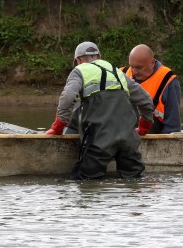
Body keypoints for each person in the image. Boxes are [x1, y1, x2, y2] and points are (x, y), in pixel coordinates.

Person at [45, 41, 155, 180]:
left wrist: (57, 128)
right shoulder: (116, 71)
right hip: (129, 141)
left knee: (86, 181)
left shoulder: (80, 70)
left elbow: (67, 98)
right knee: (135, 180)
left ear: (78, 60)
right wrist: (144, 127)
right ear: (99, 56)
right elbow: (146, 101)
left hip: (99, 141)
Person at [122, 44, 182, 134]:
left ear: (152, 63)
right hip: (124, 135)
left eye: (139, 68)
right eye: (132, 67)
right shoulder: (121, 74)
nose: (134, 72)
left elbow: (172, 127)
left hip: (153, 138)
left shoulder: (168, 80)